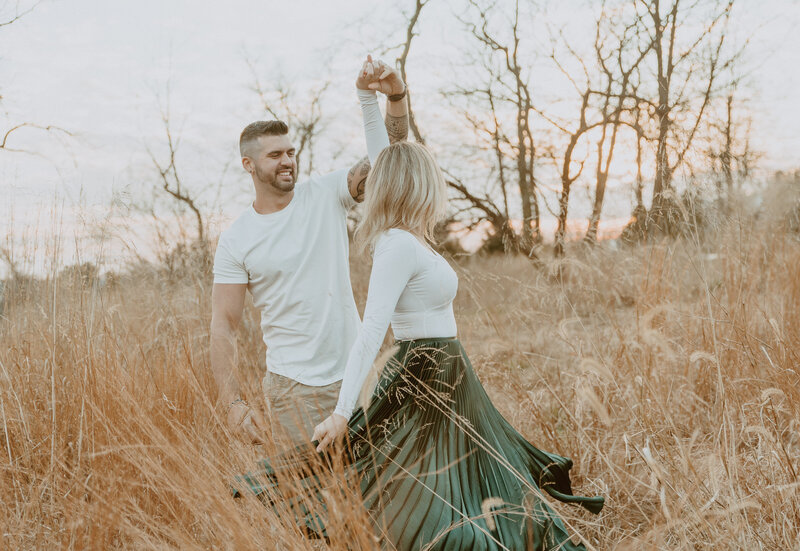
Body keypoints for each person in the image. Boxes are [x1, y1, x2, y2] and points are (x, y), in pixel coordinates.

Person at [235, 111, 605, 549]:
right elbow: (372, 331)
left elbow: (387, 157)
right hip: (423, 374)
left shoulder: (414, 240)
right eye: (430, 179)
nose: (437, 189)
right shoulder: (395, 244)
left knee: (487, 471)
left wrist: (370, 98)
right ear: (415, 184)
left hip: (451, 375)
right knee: (433, 488)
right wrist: (341, 411)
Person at [210, 56, 409, 448]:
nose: (287, 161)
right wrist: (232, 402)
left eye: (290, 152)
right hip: (292, 390)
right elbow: (223, 326)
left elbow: (388, 160)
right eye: (275, 155)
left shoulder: (325, 194)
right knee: (306, 501)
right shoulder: (237, 239)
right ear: (248, 164)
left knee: (372, 493)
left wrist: (396, 97)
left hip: (357, 376)